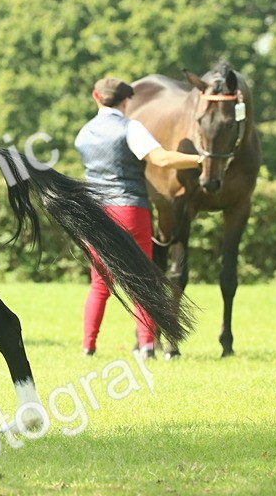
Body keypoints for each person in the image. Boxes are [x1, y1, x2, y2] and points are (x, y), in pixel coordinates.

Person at [75, 76, 203, 357]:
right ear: (126, 101)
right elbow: (162, 160)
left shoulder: (83, 133)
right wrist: (201, 160)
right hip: (129, 209)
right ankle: (146, 345)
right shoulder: (130, 128)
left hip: (95, 212)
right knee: (142, 280)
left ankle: (88, 346)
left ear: (96, 96)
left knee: (99, 284)